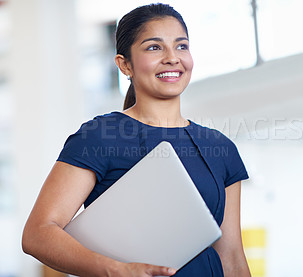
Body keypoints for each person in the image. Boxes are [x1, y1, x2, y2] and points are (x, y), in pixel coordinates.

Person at [22, 3, 251, 277]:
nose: (172, 58)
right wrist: (116, 270)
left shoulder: (220, 147)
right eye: (154, 47)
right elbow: (38, 234)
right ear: (125, 64)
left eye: (181, 46)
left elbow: (232, 255)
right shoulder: (99, 137)